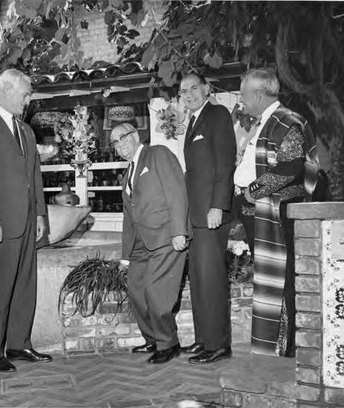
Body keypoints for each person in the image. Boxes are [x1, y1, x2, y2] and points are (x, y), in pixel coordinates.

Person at [0, 69, 51, 372]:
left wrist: (41, 213)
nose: (28, 101)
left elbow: (35, 178)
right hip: (1, 222)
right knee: (0, 285)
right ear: (6, 90)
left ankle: (19, 344)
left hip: (28, 221)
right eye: (25, 94)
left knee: (26, 284)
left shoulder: (27, 131)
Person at [239, 68, 319, 357]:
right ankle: (275, 344)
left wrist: (255, 189)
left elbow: (292, 165)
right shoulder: (263, 122)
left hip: (275, 210)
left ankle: (287, 347)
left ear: (259, 94)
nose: (241, 100)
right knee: (270, 278)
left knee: (282, 279)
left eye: (244, 95)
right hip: (258, 210)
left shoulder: (287, 121)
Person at [112, 123, 190, 365]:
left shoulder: (158, 154)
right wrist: (126, 256)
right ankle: (153, 338)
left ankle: (169, 344)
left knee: (157, 292)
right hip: (141, 244)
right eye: (114, 142)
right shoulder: (128, 173)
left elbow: (177, 192)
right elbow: (129, 217)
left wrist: (179, 232)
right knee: (137, 291)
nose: (119, 145)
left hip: (166, 237)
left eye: (123, 137)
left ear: (136, 135)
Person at [180, 72, 237, 364]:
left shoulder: (217, 114)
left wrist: (217, 206)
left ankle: (218, 345)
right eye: (183, 91)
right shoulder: (192, 120)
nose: (188, 94)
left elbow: (225, 164)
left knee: (212, 281)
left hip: (212, 215)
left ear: (206, 88)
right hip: (197, 217)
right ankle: (203, 340)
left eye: (193, 88)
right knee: (200, 280)